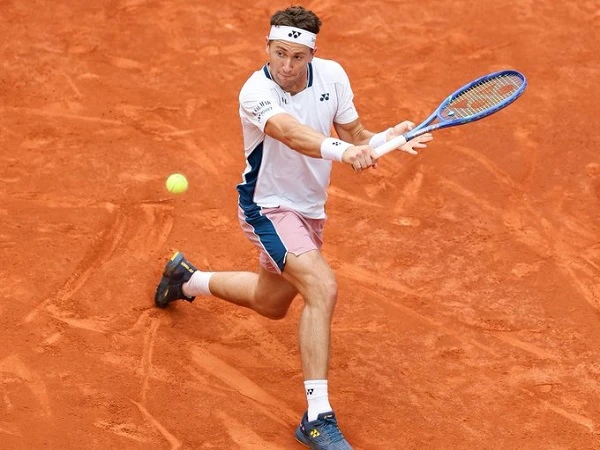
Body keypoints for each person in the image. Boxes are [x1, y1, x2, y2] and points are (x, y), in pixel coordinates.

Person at [154, 5, 432, 450]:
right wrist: (344, 153)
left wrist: (388, 138)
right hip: (267, 207)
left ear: (312, 55)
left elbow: (355, 134)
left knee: (271, 302)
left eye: (297, 57)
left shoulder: (333, 77)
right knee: (322, 287)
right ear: (267, 47)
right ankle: (317, 417)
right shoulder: (256, 91)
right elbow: (289, 132)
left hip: (309, 210)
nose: (286, 65)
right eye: (279, 53)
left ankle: (186, 279)